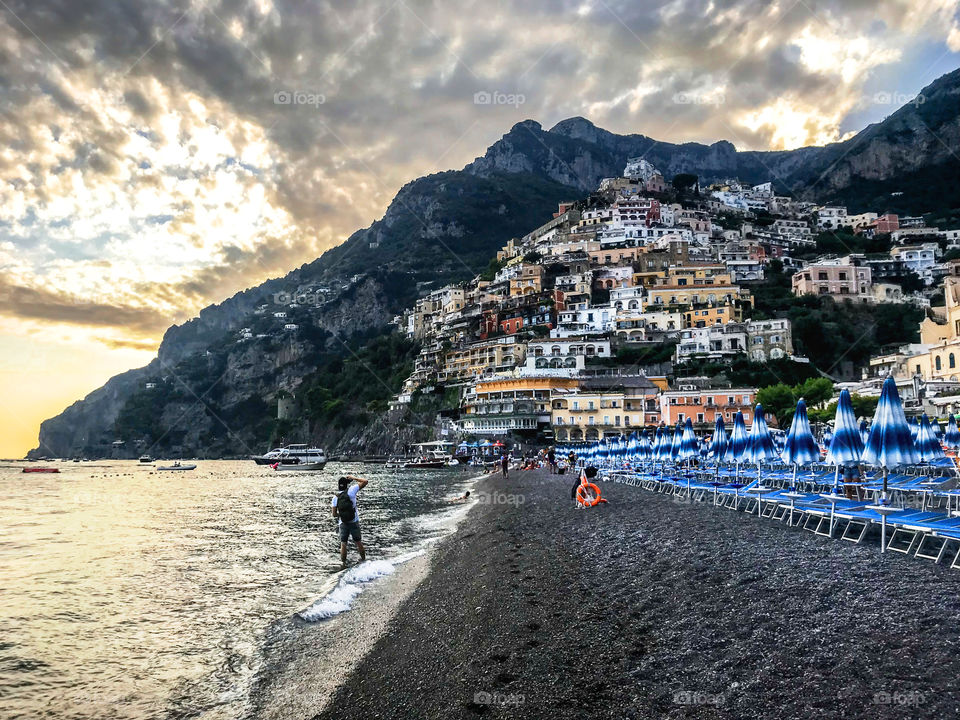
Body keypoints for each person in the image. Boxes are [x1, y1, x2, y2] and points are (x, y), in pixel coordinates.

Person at [331, 475, 368, 567]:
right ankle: (364, 561)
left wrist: (342, 515)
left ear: (339, 485)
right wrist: (353, 478)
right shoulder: (352, 490)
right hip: (354, 521)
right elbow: (365, 481)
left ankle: (343, 564)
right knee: (358, 541)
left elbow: (334, 514)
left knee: (343, 543)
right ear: (347, 484)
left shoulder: (335, 497)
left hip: (342, 522)